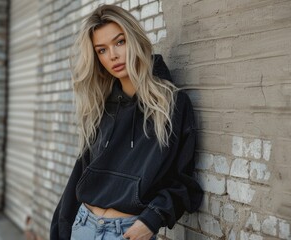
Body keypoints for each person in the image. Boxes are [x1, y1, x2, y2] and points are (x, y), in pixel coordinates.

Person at [50, 4, 203, 240]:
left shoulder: (171, 104)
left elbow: (183, 182)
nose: (112, 55)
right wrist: (60, 231)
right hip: (83, 226)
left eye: (119, 42)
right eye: (101, 50)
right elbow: (81, 175)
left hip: (127, 233)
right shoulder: (100, 107)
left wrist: (152, 220)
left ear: (135, 39)